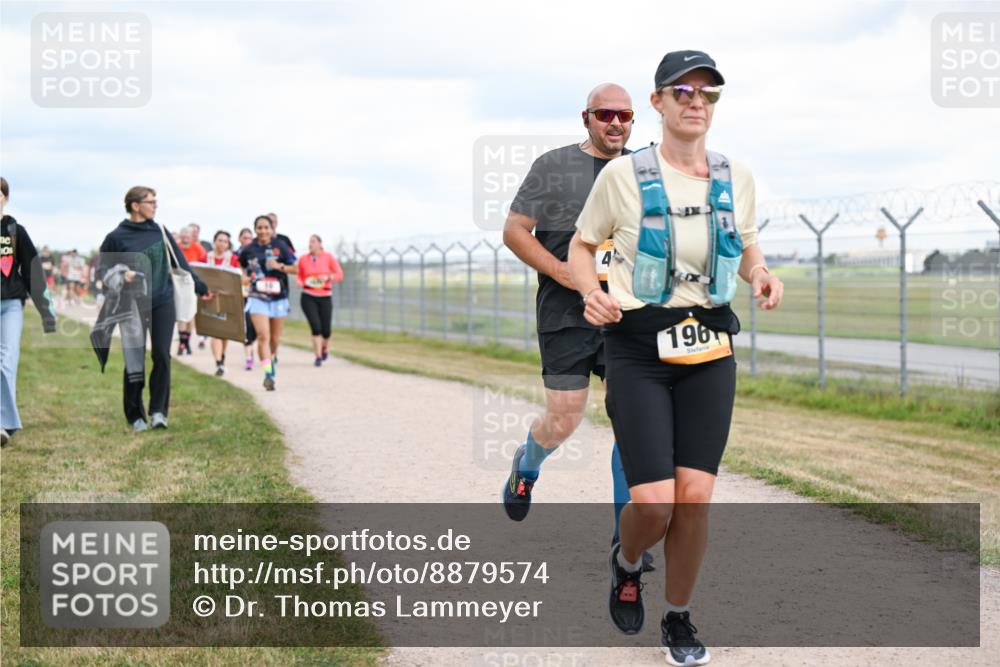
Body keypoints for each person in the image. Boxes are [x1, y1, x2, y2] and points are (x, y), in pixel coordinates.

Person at [568, 50, 784, 664]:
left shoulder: (735, 176)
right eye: (682, 92)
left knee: (694, 496)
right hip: (638, 347)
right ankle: (628, 560)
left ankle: (680, 618)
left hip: (710, 346)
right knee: (655, 501)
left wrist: (760, 272)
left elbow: (745, 243)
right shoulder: (623, 177)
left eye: (707, 93)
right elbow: (582, 247)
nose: (696, 102)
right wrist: (590, 292)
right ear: (658, 102)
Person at [500, 83, 655, 567]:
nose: (616, 123)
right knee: (565, 417)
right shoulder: (553, 166)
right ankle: (526, 466)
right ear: (585, 118)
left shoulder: (643, 170)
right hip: (565, 311)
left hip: (624, 313)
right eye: (605, 114)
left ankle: (626, 539)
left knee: (631, 422)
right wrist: (562, 271)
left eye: (624, 115)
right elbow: (514, 231)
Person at [95, 186, 211, 432]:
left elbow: (180, 262)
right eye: (151, 201)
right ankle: (135, 415)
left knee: (161, 354)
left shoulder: (160, 231)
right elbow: (102, 270)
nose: (155, 205)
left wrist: (201, 287)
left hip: (162, 300)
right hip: (131, 304)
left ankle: (159, 411)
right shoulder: (117, 236)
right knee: (134, 358)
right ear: (135, 206)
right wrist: (121, 275)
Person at [1, 176, 57, 446]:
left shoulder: (16, 232)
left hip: (10, 305)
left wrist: (47, 312)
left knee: (6, 362)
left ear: (5, 198)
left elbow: (33, 271)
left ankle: (3, 423)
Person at [240, 215, 295, 390]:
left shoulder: (281, 246)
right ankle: (268, 373)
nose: (263, 231)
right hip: (257, 297)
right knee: (263, 336)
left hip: (278, 297)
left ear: (272, 229)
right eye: (260, 227)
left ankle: (271, 359)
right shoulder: (249, 249)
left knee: (274, 339)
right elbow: (242, 268)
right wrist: (244, 278)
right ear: (255, 229)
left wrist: (280, 267)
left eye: (266, 227)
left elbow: (295, 267)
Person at [296, 234, 344, 366]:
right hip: (308, 296)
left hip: (325, 296)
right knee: (316, 327)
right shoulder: (303, 259)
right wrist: (299, 281)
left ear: (320, 244)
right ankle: (318, 356)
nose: (310, 244)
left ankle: (324, 347)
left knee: (326, 331)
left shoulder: (328, 257)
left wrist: (328, 277)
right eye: (309, 241)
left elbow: (339, 275)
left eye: (313, 241)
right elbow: (299, 275)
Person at [207, 230, 241, 376]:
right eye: (219, 240)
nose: (222, 244)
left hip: (228, 299)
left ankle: (221, 356)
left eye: (225, 241)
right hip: (210, 299)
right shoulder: (206, 257)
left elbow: (238, 276)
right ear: (214, 241)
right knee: (215, 332)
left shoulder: (233, 259)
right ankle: (218, 362)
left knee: (224, 333)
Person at [176, 225, 207, 355]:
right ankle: (182, 342)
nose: (185, 237)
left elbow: (204, 264)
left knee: (191, 314)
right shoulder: (176, 247)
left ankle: (186, 342)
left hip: (194, 283)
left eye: (187, 235)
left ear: (191, 236)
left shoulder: (197, 248)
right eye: (183, 234)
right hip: (180, 283)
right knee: (181, 313)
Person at [235, 227, 257, 370]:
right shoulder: (235, 255)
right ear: (240, 239)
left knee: (255, 327)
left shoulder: (256, 254)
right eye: (245, 238)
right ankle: (248, 356)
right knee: (246, 325)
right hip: (240, 295)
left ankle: (253, 348)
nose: (247, 240)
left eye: (250, 238)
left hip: (256, 294)